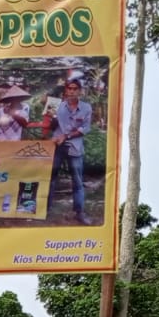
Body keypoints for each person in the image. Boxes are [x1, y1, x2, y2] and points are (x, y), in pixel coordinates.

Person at [50, 78, 93, 225]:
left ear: (79, 91)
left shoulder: (86, 108)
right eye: (69, 88)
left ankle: (79, 212)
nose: (72, 91)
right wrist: (50, 119)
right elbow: (52, 126)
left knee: (77, 180)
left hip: (74, 147)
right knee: (51, 177)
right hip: (57, 146)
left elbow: (85, 129)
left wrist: (66, 136)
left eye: (75, 88)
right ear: (66, 90)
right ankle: (46, 209)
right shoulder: (58, 106)